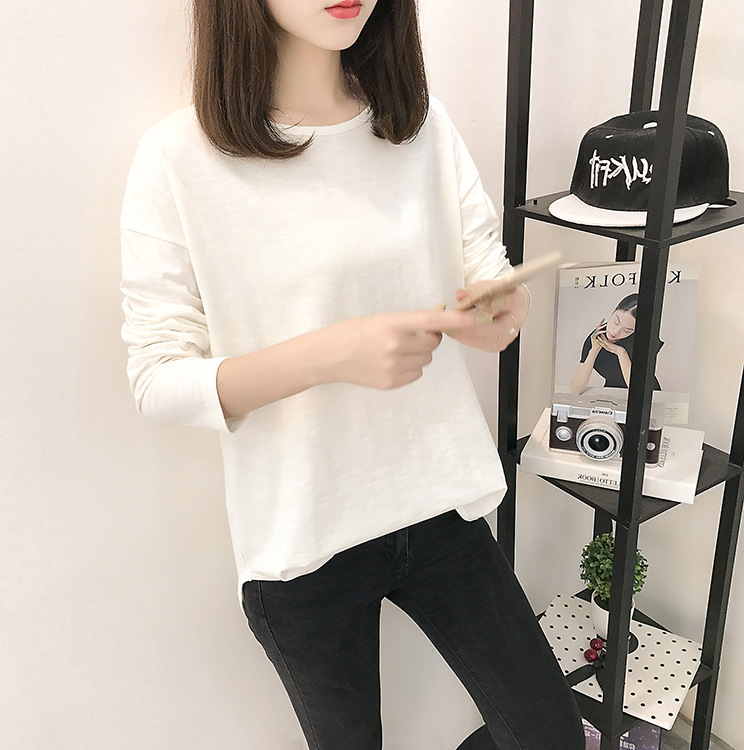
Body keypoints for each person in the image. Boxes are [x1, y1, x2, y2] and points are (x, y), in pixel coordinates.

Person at [120, 0, 584, 748]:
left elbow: (488, 272)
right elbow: (158, 378)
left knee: (550, 732)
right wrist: (331, 354)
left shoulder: (420, 126)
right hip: (305, 538)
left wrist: (503, 308)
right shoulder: (178, 157)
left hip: (440, 500)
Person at [570, 293, 662, 395]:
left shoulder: (643, 342)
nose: (616, 331)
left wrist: (621, 352)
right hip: (612, 393)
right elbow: (576, 390)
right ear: (613, 311)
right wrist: (595, 349)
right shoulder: (598, 336)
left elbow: (638, 391)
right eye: (616, 322)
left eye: (627, 330)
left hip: (650, 396)